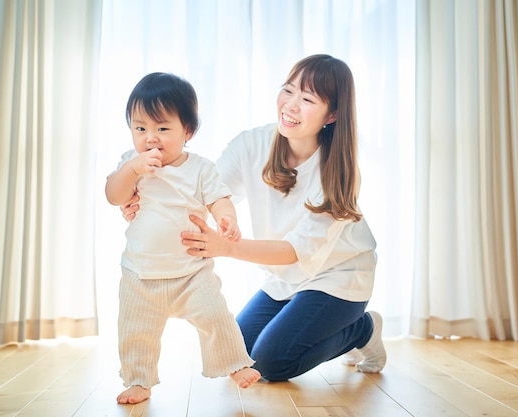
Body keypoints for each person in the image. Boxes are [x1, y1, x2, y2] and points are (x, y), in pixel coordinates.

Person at [122, 54, 387, 382]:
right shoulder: (252, 144)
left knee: (273, 363)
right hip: (284, 280)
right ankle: (337, 326)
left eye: (306, 99)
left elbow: (295, 250)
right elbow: (200, 193)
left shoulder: (338, 173)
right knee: (240, 352)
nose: (290, 105)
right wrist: (139, 201)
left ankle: (362, 329)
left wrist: (227, 247)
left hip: (338, 278)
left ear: (332, 114)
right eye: (287, 91)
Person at [105, 72, 261, 404]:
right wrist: (132, 170)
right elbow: (114, 196)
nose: (150, 138)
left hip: (192, 272)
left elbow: (219, 198)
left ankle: (235, 363)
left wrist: (226, 219)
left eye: (162, 128)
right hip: (140, 274)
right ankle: (138, 380)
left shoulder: (200, 169)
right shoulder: (131, 166)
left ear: (187, 131)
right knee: (136, 333)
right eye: (140, 128)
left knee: (217, 317)